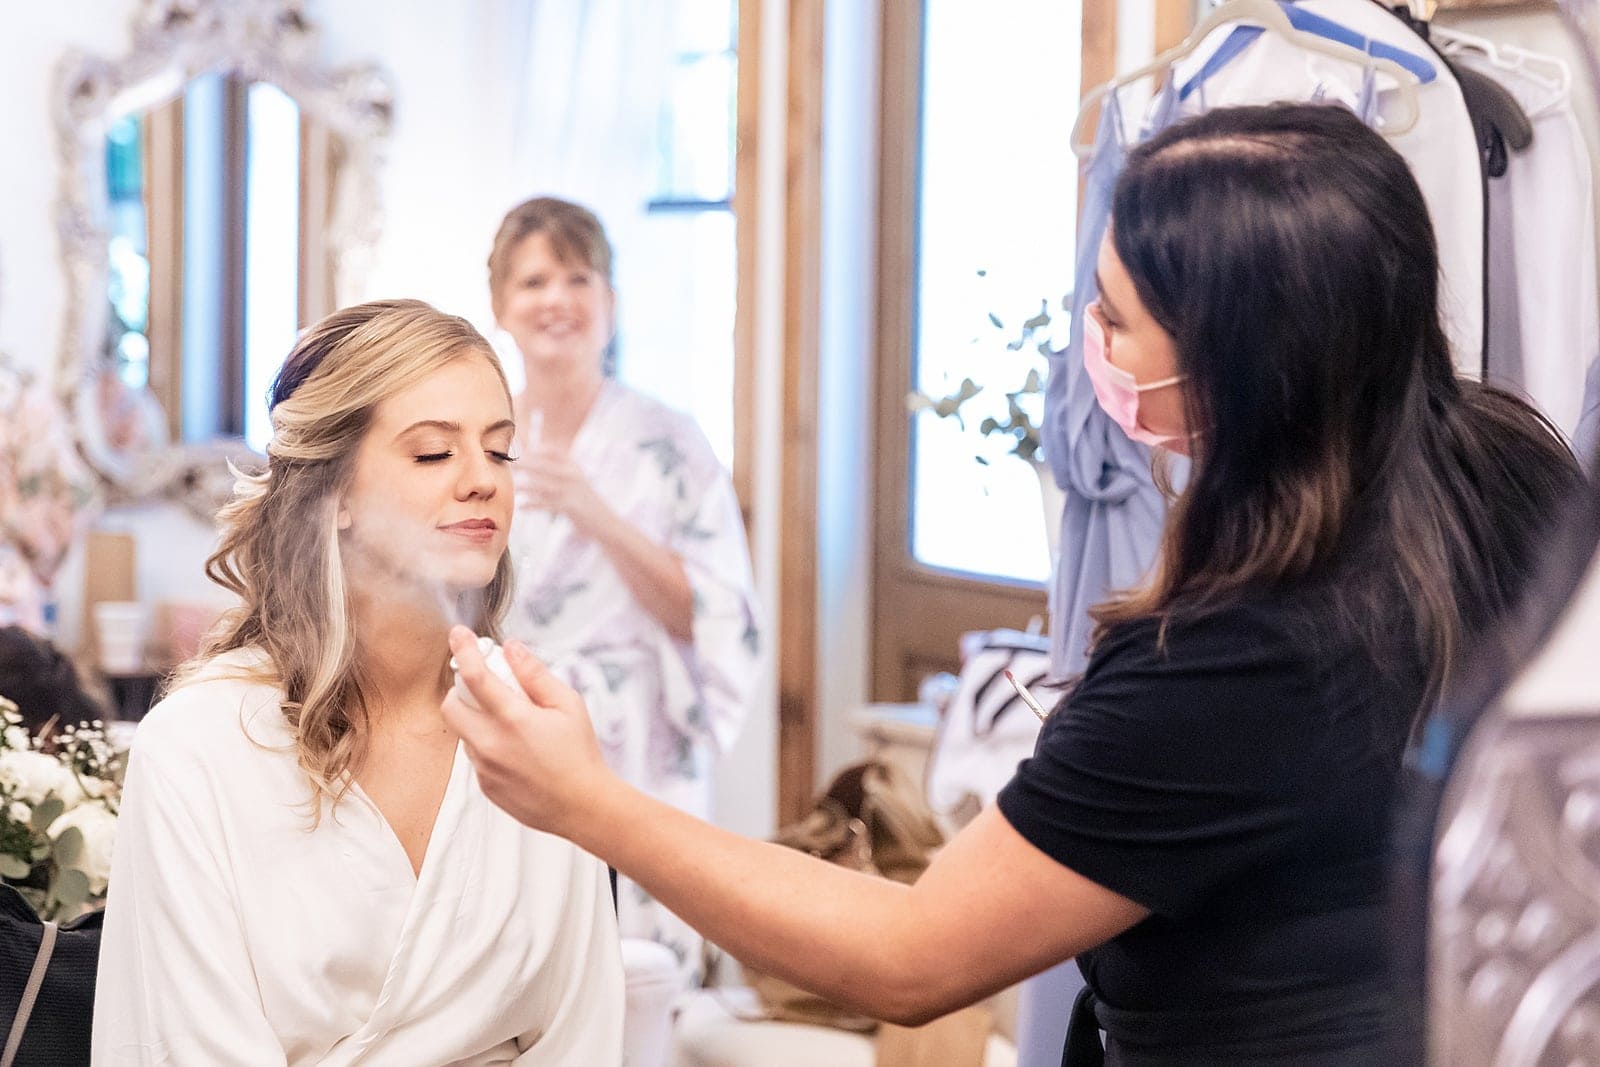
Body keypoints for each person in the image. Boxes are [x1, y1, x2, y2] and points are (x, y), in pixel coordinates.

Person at [444, 105, 1583, 1065]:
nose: (1087, 340)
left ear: (1232, 365)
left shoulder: (1229, 653)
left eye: (1114, 317)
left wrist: (588, 802)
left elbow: (912, 954)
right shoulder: (1507, 468)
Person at [93, 300, 623, 1066]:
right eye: (433, 453)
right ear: (333, 494)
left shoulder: (536, 729)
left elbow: (586, 1034)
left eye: (501, 452)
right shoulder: (197, 750)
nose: (482, 481)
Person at [487, 197, 762, 975]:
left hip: (641, 741)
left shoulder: (670, 440)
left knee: (639, 971)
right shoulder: (481, 438)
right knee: (521, 966)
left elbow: (709, 615)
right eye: (534, 279)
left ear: (609, 300)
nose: (557, 300)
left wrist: (591, 509)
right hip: (517, 728)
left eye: (579, 277)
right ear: (502, 304)